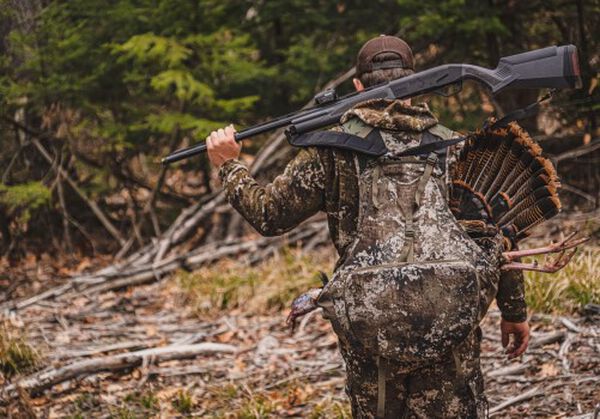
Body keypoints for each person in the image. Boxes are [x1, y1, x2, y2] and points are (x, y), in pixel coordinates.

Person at [205, 35, 530, 418]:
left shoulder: (332, 149)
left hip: (370, 329)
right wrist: (514, 311)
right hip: (448, 320)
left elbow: (270, 215)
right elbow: (495, 234)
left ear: (358, 86)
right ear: (416, 82)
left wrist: (229, 165)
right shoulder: (454, 147)